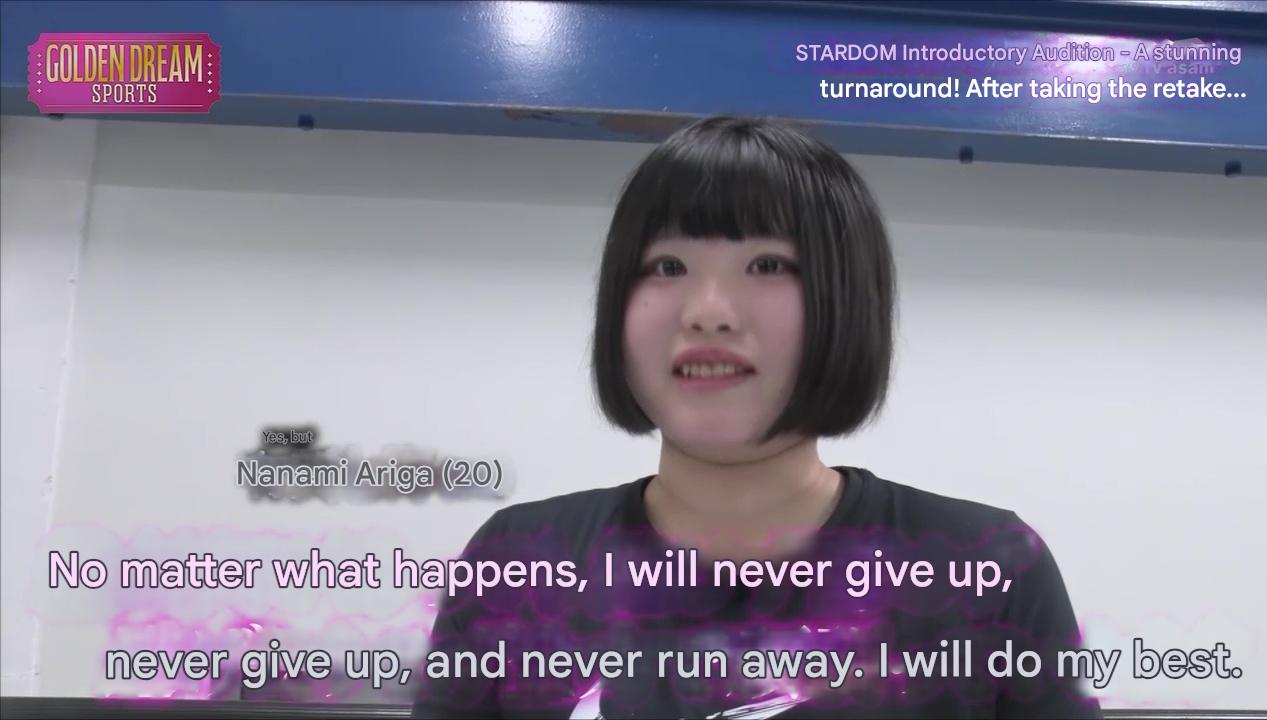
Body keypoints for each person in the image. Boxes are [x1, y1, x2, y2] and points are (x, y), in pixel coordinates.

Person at [411, 115, 1101, 719]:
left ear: (845, 304)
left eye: (768, 265)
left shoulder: (988, 568)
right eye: (667, 266)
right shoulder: (517, 563)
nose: (708, 312)